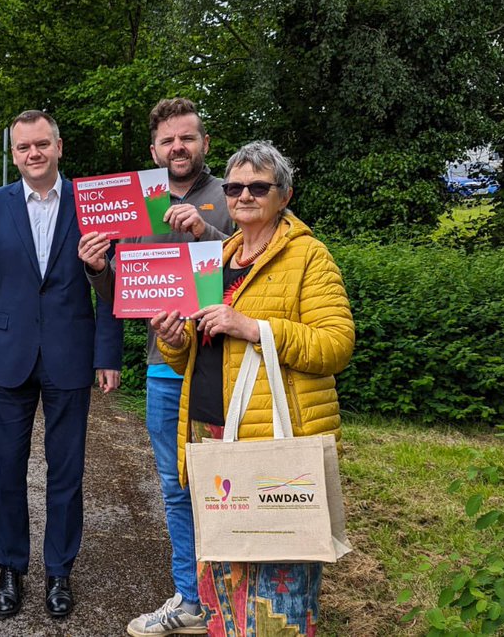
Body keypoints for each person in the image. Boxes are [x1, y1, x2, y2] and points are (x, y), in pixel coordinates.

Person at [150, 141, 355, 636]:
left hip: (272, 441)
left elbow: (336, 345)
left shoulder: (308, 255)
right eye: (235, 186)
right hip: (211, 434)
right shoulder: (216, 257)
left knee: (277, 584)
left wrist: (253, 326)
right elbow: (197, 351)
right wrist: (174, 341)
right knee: (222, 571)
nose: (243, 195)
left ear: (283, 195)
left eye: (257, 186)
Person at [77, 97, 233, 636]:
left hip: (226, 367)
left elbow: (251, 269)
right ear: (154, 150)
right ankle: (191, 599)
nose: (178, 148)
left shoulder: (231, 193)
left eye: (187, 138)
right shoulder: (138, 203)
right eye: (168, 141)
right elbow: (124, 291)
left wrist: (204, 234)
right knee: (174, 484)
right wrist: (99, 267)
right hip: (164, 365)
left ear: (204, 143)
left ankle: (233, 595)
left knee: (227, 482)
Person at [0, 110, 124, 620]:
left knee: (67, 472)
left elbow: (112, 285)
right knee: (6, 470)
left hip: (70, 354)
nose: (34, 154)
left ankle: (59, 571)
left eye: (42, 144)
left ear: (58, 147)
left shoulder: (92, 203)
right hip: (6, 358)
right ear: (14, 153)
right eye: (24, 147)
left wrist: (108, 353)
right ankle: (10, 568)